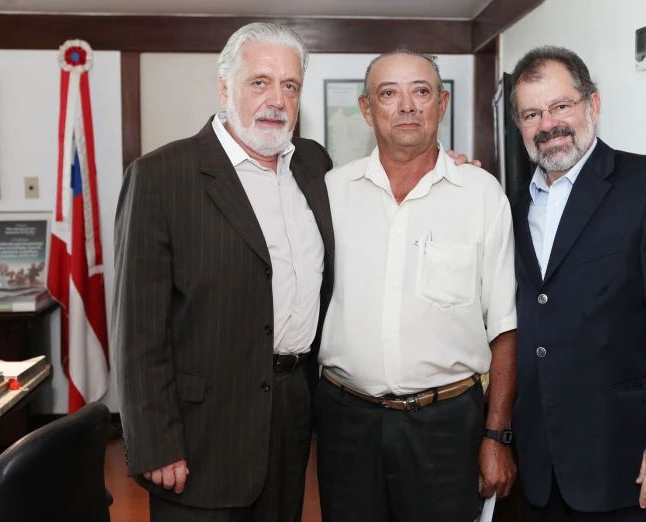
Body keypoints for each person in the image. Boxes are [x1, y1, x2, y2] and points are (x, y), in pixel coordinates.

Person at [112, 23, 334, 522]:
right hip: (199, 430)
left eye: (290, 85)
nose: (276, 99)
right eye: (260, 82)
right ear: (224, 88)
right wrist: (154, 443)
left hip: (291, 409)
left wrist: (442, 166)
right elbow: (137, 331)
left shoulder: (314, 167)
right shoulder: (160, 176)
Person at [508, 46, 646, 521]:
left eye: (561, 106)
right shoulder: (515, 206)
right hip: (545, 468)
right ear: (520, 126)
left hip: (636, 466)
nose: (548, 124)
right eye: (532, 113)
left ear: (593, 106)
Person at [316, 48, 518, 522]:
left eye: (421, 91)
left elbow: (505, 328)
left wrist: (496, 435)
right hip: (347, 424)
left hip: (447, 427)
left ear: (441, 104)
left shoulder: (481, 194)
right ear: (367, 109)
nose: (407, 105)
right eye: (389, 93)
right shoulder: (329, 192)